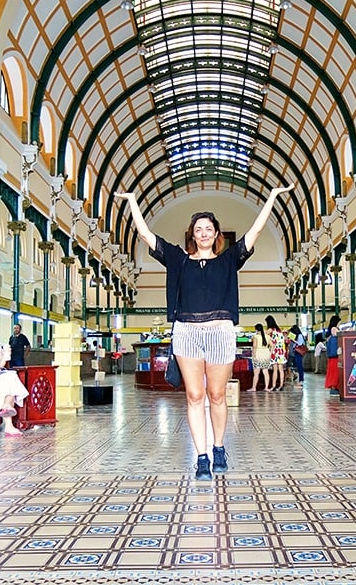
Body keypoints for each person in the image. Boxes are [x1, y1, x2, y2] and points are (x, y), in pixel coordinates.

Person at [116, 183, 294, 480]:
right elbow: (146, 235)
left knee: (217, 394)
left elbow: (257, 232)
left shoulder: (229, 259)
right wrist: (134, 201)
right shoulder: (177, 259)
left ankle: (219, 446)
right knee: (195, 396)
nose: (203, 233)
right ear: (192, 234)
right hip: (186, 333)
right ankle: (201, 457)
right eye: (198, 229)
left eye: (208, 228)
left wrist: (273, 197)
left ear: (216, 233)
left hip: (221, 333)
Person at [265, 315, 287, 391]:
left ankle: (273, 385)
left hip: (275, 351)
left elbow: (264, 335)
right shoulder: (279, 330)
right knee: (281, 369)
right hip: (281, 351)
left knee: (275, 369)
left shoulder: (270, 329)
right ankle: (281, 385)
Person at [250, 323, 272, 392]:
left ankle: (254, 388)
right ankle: (266, 387)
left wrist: (253, 356)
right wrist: (270, 353)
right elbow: (272, 345)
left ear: (256, 329)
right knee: (265, 371)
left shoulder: (256, 337)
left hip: (258, 354)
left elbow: (254, 347)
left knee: (256, 372)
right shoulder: (267, 336)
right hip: (266, 354)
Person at [324, 315, 341, 395]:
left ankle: (334, 387)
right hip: (335, 355)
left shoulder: (330, 331)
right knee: (335, 372)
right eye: (339, 322)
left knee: (333, 371)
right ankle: (334, 387)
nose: (340, 324)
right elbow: (340, 335)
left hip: (332, 355)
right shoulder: (334, 329)